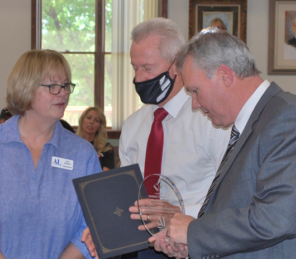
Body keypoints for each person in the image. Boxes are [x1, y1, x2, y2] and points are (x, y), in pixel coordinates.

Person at [82, 18, 231, 259]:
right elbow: (128, 195)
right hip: (141, 247)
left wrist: (178, 215)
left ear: (177, 65)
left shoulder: (210, 120)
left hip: (194, 244)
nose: (139, 79)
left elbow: (229, 195)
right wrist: (104, 226)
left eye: (148, 68)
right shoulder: (133, 126)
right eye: (134, 68)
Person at [150, 28, 296, 259]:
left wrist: (193, 232)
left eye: (195, 91)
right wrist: (194, 244)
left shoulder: (287, 117)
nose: (195, 105)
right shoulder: (255, 123)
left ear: (225, 76)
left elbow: (277, 217)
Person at [0, 49, 101, 258]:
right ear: (25, 88)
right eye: (53, 86)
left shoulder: (83, 154)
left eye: (65, 85)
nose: (63, 92)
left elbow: (93, 221)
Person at [77, 106, 114, 171]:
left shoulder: (107, 148)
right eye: (89, 118)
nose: (91, 122)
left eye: (96, 120)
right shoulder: (72, 144)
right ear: (82, 120)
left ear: (100, 126)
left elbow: (105, 176)